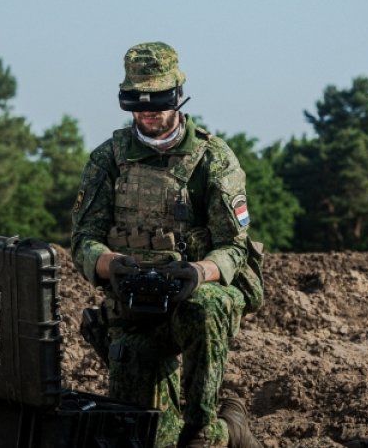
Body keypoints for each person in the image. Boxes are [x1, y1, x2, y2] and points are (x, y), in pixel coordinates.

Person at [70, 41, 263, 448]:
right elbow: (83, 239)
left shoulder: (213, 158)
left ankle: (207, 426)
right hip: (133, 308)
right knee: (145, 435)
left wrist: (198, 272)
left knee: (205, 306)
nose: (148, 111)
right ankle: (228, 430)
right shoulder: (108, 159)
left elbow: (233, 246)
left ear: (177, 95)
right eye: (138, 102)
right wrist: (110, 265)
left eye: (157, 99)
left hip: (193, 304)